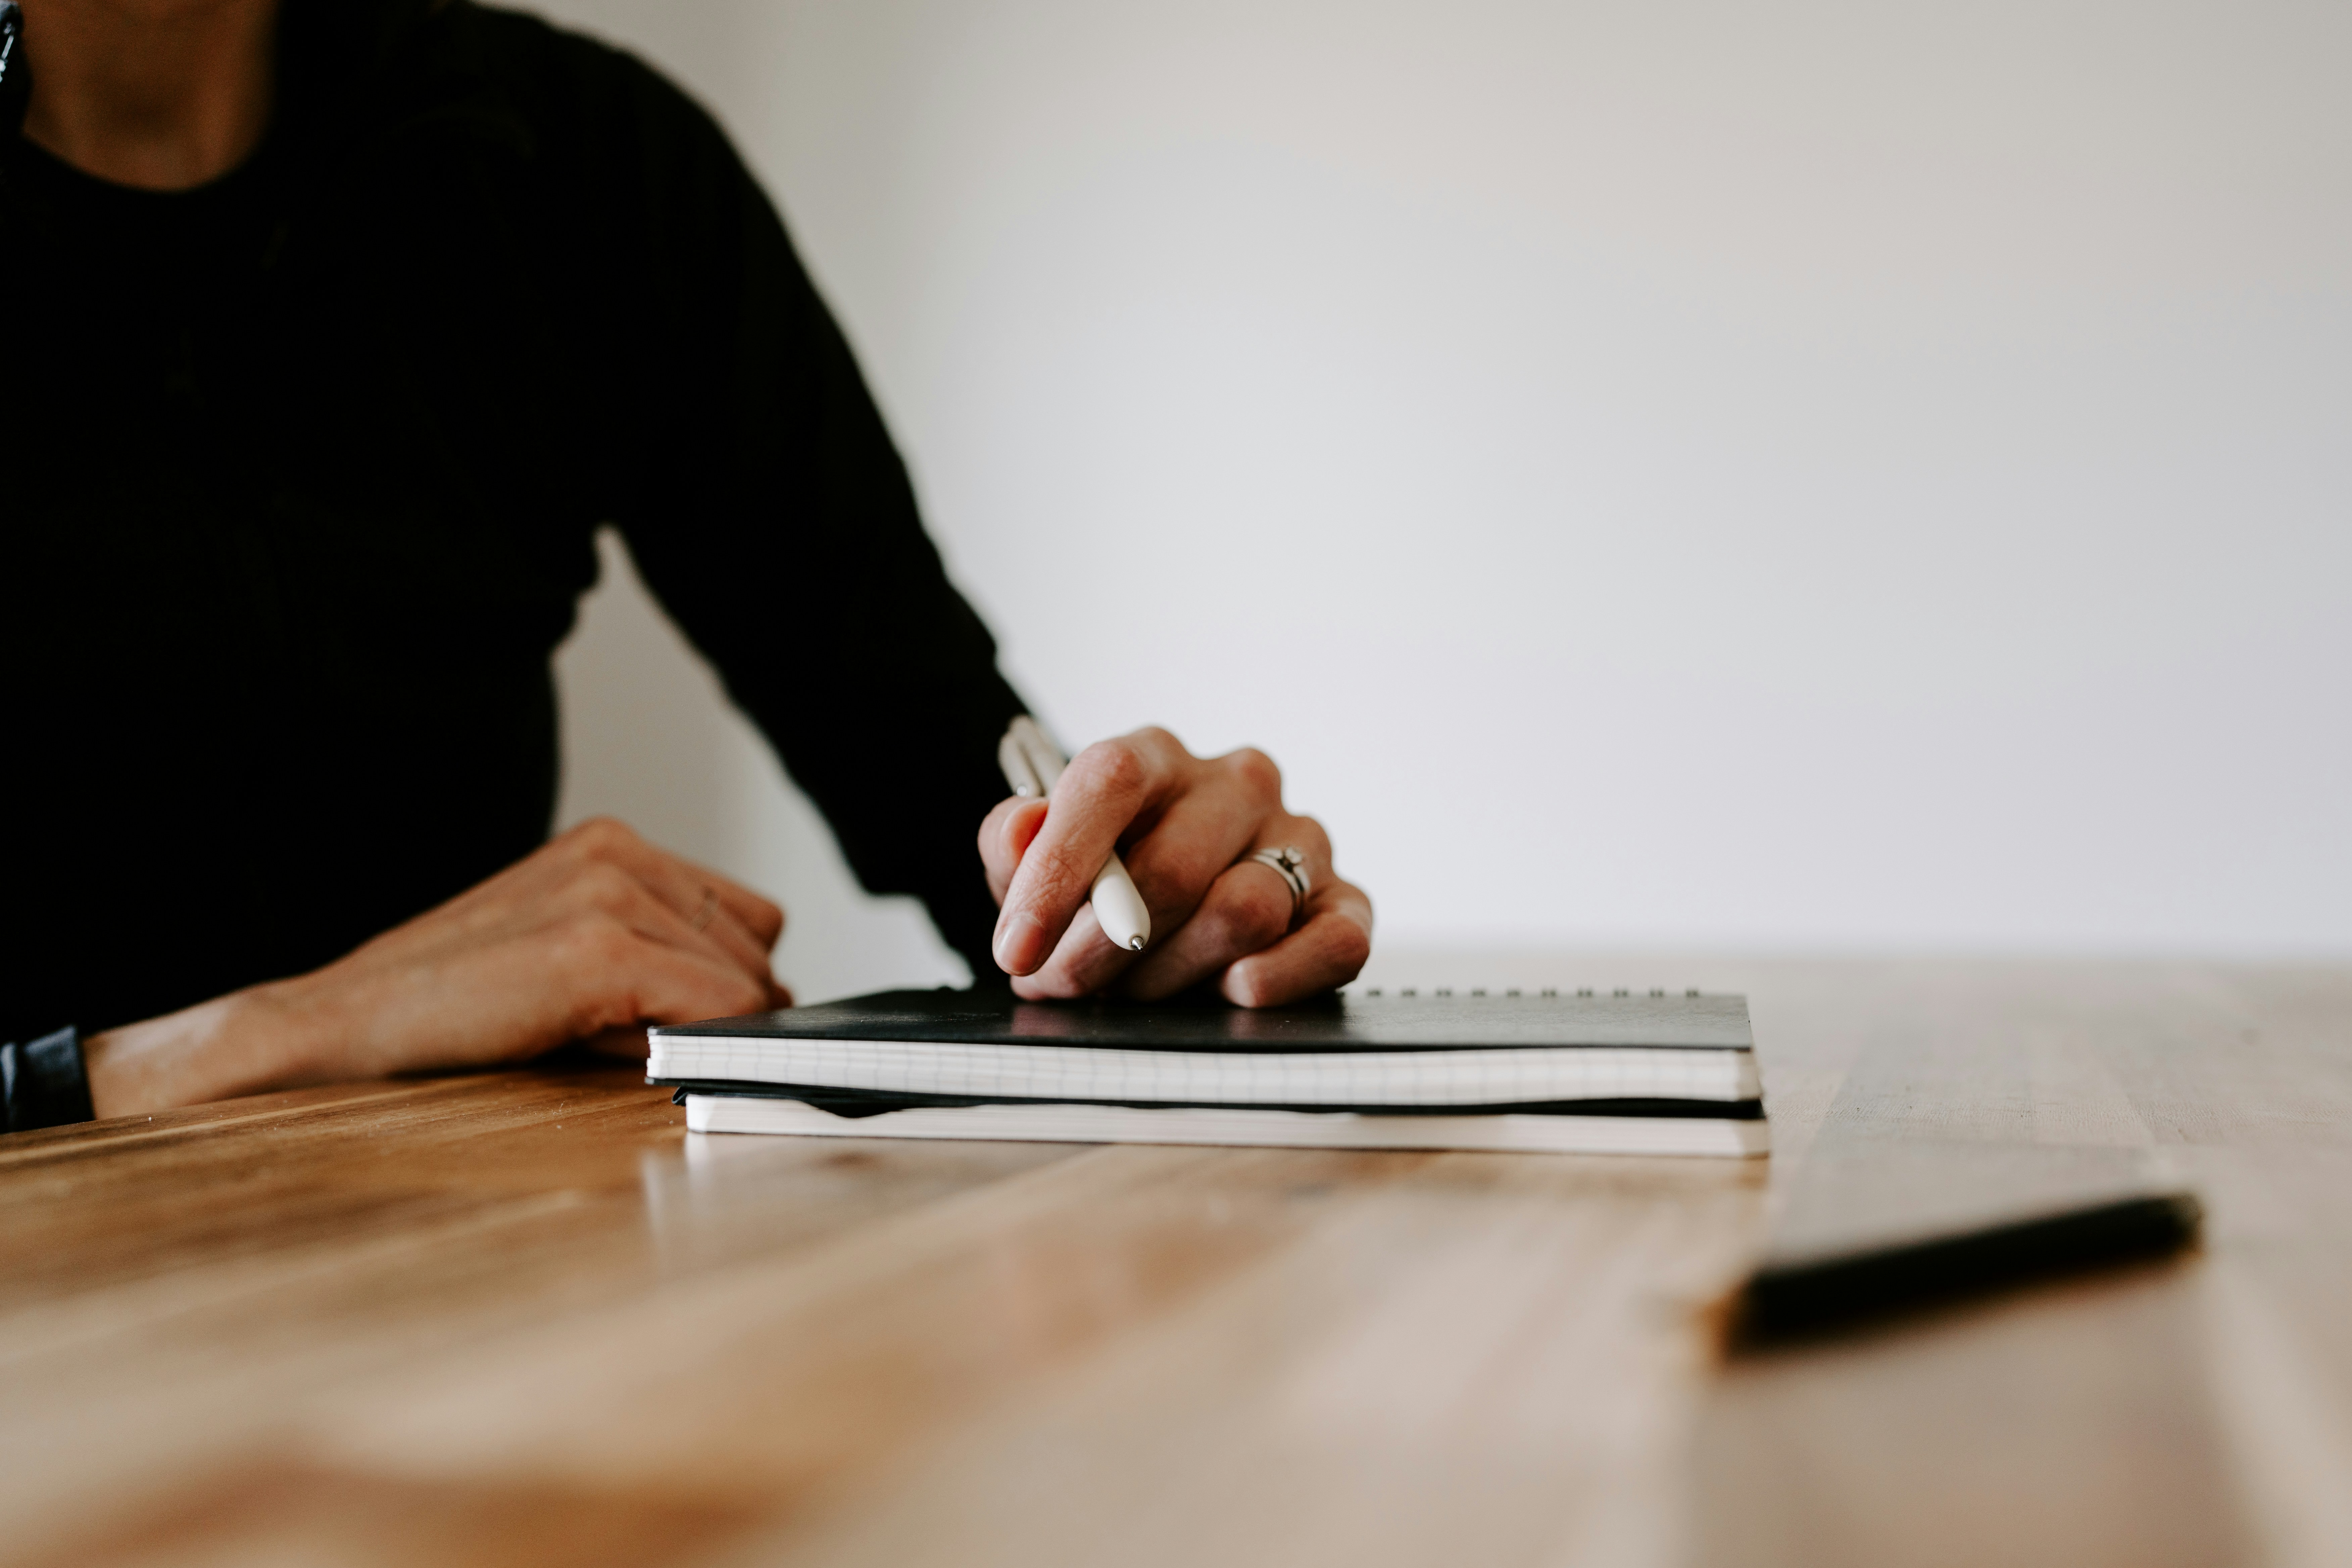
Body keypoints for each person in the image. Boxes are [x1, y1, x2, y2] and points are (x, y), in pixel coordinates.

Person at [0, 0, 1373, 1131]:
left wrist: (1148, 900)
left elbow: (944, 774)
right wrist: (286, 1032)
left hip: (467, 1279)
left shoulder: (577, 164)